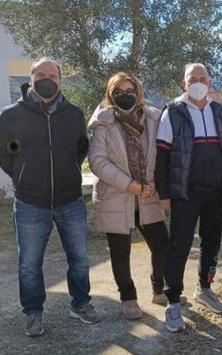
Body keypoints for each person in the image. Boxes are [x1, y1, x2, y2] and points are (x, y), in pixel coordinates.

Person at [0, 58, 99, 337]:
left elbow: (80, 150)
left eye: (53, 74)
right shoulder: (11, 114)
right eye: (41, 74)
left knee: (79, 258)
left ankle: (81, 303)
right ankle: (33, 312)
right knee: (29, 263)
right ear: (31, 77)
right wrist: (22, 175)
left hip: (70, 201)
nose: (47, 78)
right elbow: (3, 152)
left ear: (61, 80)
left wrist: (69, 172)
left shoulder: (74, 114)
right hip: (29, 203)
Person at [87, 72, 186, 320]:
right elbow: (98, 161)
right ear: (111, 93)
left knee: (161, 245)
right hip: (115, 195)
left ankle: (158, 289)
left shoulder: (154, 118)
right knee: (120, 251)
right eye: (119, 91)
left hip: (148, 193)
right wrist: (129, 185)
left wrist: (154, 182)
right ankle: (128, 298)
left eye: (130, 91)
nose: (126, 95)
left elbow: (162, 153)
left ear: (138, 92)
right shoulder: (103, 123)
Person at [155, 63, 222, 332]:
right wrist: (163, 193)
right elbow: (162, 155)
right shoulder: (173, 111)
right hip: (185, 192)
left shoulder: (220, 111)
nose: (198, 82)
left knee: (212, 242)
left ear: (210, 82)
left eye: (203, 78)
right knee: (179, 245)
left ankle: (205, 288)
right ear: (183, 83)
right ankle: (173, 301)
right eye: (192, 79)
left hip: (216, 191)